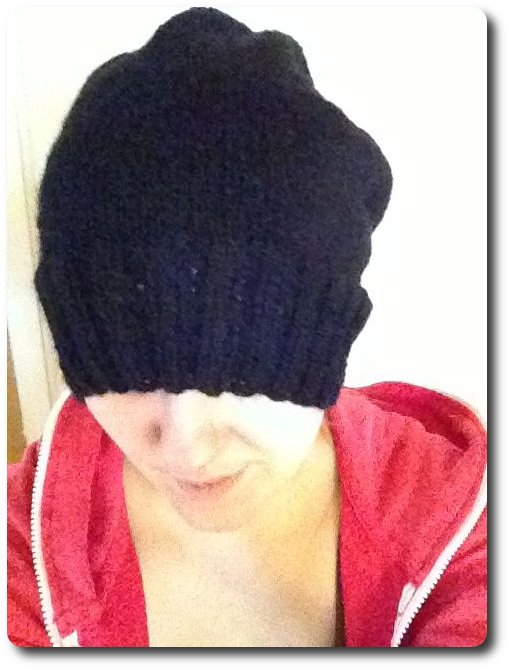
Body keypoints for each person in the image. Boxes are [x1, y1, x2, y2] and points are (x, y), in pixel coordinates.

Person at [7, 7, 487, 648]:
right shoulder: (22, 548)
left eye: (243, 374)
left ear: (322, 352)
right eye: (124, 368)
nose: (185, 445)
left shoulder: (459, 523)